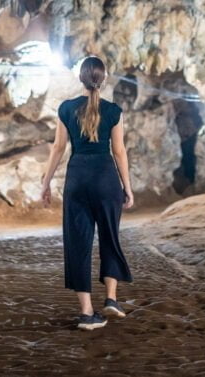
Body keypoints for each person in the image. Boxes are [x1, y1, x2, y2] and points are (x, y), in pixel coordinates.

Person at [40, 55, 135, 331]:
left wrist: (45, 183)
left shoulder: (66, 109)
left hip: (78, 180)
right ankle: (112, 299)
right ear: (103, 80)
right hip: (106, 180)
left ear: (80, 78)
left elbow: (58, 148)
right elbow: (119, 151)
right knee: (110, 237)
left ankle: (86, 313)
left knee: (78, 243)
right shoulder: (114, 111)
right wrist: (126, 187)